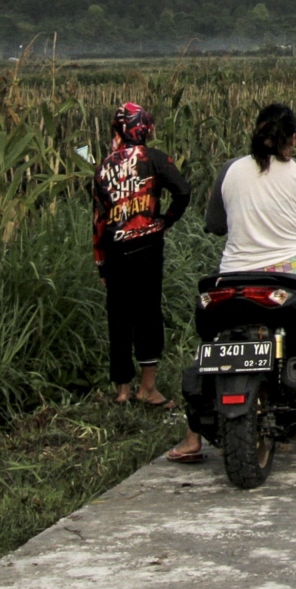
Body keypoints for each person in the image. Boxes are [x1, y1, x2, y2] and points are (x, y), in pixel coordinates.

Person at [168, 104, 296, 462]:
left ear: (255, 132)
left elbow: (216, 225)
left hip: (234, 275)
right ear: (293, 138)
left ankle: (192, 440)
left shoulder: (229, 170)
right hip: (292, 274)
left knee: (213, 344)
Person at [93, 103, 191, 409]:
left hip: (115, 250)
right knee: (148, 314)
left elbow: (98, 220)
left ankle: (122, 390)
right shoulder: (155, 159)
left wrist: (101, 264)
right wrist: (165, 220)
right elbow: (183, 191)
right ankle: (148, 389)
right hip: (147, 247)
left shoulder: (104, 167)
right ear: (144, 128)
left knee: (119, 318)